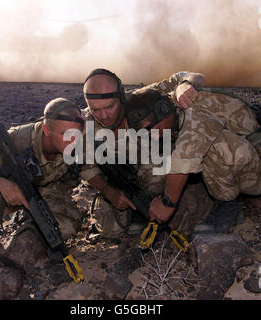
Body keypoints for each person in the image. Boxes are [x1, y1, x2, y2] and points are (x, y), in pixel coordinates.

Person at [124, 88, 261, 225]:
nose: (148, 134)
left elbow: (183, 161)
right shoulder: (169, 102)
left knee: (212, 146)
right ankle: (213, 188)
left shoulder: (195, 115)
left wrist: (167, 204)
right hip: (237, 161)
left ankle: (229, 204)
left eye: (149, 128)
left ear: (163, 109)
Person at [0, 97, 85, 290]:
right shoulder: (18, 139)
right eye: (65, 134)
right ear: (46, 130)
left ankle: (30, 234)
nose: (72, 140)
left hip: (48, 192)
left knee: (65, 225)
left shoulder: (79, 142)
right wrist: (2, 185)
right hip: (11, 191)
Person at [80, 68, 206, 238]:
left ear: (121, 97)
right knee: (111, 229)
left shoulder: (139, 101)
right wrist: (109, 191)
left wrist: (184, 86)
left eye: (110, 107)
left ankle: (188, 194)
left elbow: (188, 76)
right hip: (120, 181)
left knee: (157, 176)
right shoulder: (84, 125)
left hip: (155, 166)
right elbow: (87, 168)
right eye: (95, 109)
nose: (103, 116)